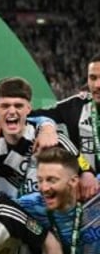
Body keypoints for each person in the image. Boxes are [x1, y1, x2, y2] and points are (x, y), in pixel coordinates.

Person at [32, 53, 100, 199]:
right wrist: (47, 126)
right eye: (93, 78)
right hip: (86, 196)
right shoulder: (76, 106)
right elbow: (31, 115)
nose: (97, 85)